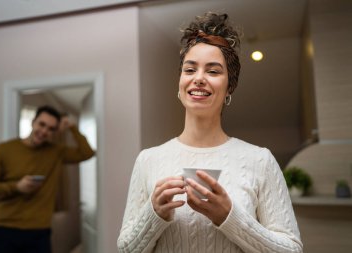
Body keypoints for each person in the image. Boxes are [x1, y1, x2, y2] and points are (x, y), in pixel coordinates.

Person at [117, 12, 303, 253]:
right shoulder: (147, 160)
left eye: (213, 71)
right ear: (180, 83)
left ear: (229, 87)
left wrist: (229, 217)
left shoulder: (261, 160)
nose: (199, 79)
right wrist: (153, 215)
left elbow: (293, 250)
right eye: (190, 70)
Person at [0, 105, 95, 253]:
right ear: (33, 122)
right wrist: (17, 187)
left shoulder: (56, 152)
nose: (45, 131)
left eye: (51, 128)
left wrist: (72, 127)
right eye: (42, 124)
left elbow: (87, 153)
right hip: (4, 230)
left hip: (39, 232)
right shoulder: (4, 149)